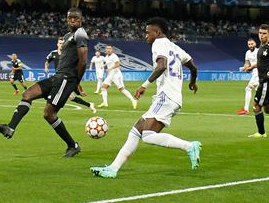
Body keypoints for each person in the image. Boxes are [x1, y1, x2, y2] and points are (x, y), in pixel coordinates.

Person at [91, 17, 201, 178]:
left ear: (157, 32)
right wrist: (192, 82)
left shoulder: (159, 43)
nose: (145, 36)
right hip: (172, 96)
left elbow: (162, 65)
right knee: (136, 130)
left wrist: (144, 85)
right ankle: (113, 168)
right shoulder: (175, 48)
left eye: (147, 32)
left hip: (166, 96)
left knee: (148, 136)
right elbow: (193, 66)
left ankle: (189, 146)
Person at [0, 8, 89, 158]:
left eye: (76, 18)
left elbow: (83, 60)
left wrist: (76, 81)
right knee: (27, 94)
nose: (73, 20)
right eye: (70, 18)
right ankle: (10, 128)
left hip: (66, 79)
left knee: (49, 114)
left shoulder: (80, 34)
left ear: (81, 20)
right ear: (67, 19)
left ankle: (72, 145)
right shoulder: (67, 35)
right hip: (57, 77)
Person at [46, 37, 96, 112]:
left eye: (63, 43)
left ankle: (52, 111)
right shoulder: (53, 53)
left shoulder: (68, 53)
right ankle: (89, 105)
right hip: (58, 77)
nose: (61, 45)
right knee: (70, 97)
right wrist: (46, 67)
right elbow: (47, 61)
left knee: (68, 96)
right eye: (60, 43)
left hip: (67, 77)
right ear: (57, 44)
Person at [99, 45, 137, 109]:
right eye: (107, 48)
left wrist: (110, 68)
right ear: (105, 50)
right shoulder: (107, 56)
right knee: (103, 87)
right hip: (111, 75)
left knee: (121, 89)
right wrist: (103, 65)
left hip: (116, 75)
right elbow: (107, 62)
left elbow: (118, 64)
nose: (108, 50)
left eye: (110, 48)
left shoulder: (114, 56)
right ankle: (105, 103)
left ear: (112, 50)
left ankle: (133, 100)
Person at [236, 38, 259, 115]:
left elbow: (261, 63)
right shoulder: (247, 53)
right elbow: (247, 63)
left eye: (252, 44)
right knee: (260, 92)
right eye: (249, 44)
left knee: (248, 88)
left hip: (259, 72)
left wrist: (250, 68)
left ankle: (246, 109)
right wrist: (244, 68)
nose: (250, 45)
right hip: (254, 73)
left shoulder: (259, 51)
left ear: (255, 44)